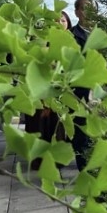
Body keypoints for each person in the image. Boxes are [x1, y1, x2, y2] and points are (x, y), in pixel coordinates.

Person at [24, 10, 72, 170]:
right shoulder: (40, 41)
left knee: (57, 127)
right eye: (56, 21)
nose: (60, 23)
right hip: (40, 92)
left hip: (63, 92)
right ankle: (38, 161)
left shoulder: (72, 43)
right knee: (38, 126)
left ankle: (56, 161)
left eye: (63, 21)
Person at [70, 0, 95, 171]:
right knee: (81, 135)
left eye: (93, 8)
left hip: (102, 91)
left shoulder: (103, 33)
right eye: (85, 8)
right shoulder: (71, 36)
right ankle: (84, 170)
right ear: (77, 12)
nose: (90, 12)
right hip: (79, 92)